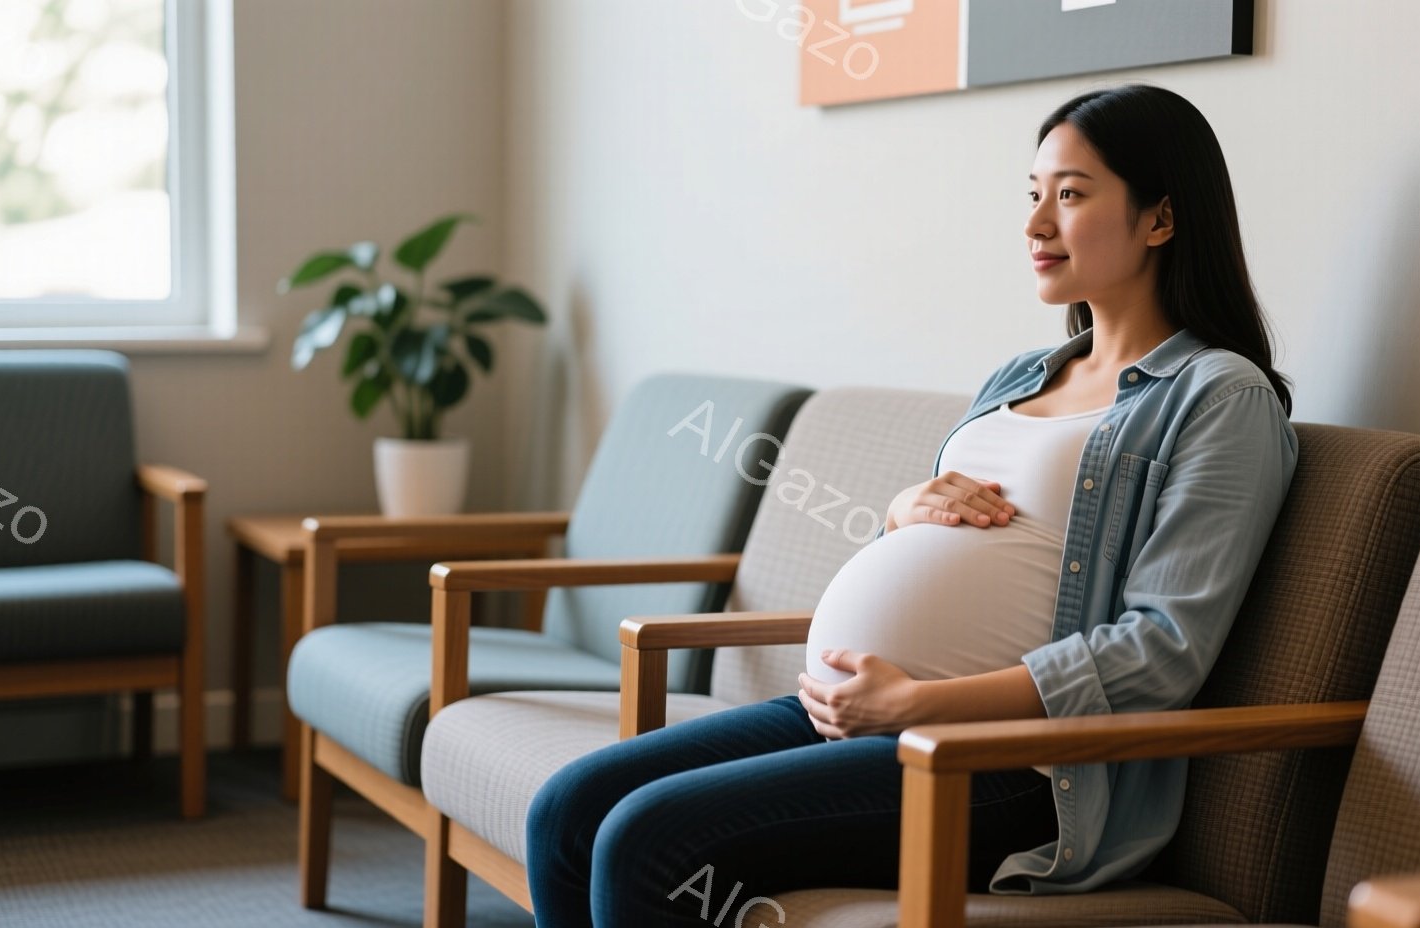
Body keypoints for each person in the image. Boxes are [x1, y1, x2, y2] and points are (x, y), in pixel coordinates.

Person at [525, 83, 1299, 926]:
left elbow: (1164, 648)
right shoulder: (1020, 375)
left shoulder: (1219, 397)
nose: (1036, 224)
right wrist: (901, 511)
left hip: (1005, 764)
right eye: (1033, 193)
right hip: (847, 715)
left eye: (1070, 195)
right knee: (567, 811)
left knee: (646, 839)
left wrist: (918, 706)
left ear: (1161, 218)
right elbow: (969, 544)